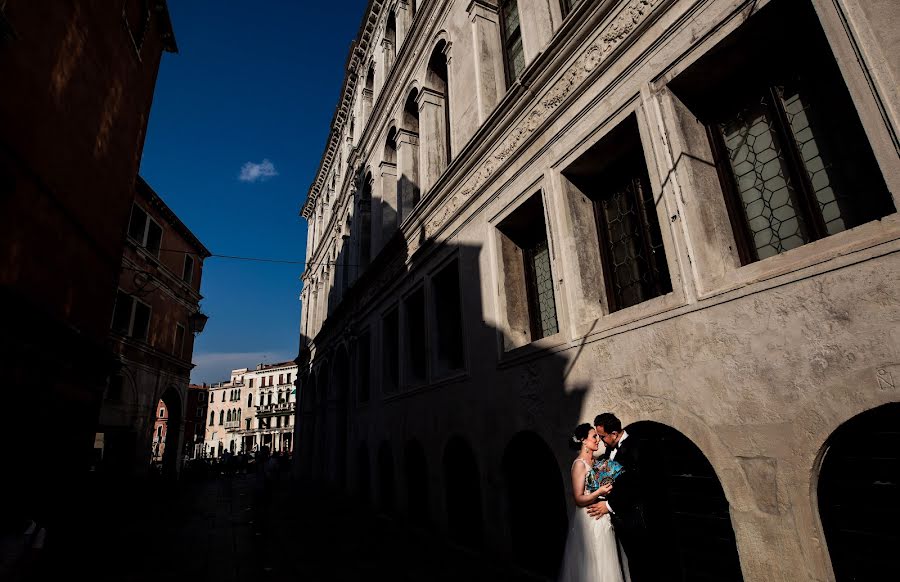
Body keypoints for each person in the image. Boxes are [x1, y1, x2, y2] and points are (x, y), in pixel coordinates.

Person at [587, 413, 658, 582]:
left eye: (603, 437)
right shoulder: (611, 450)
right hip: (621, 519)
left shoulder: (636, 448)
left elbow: (637, 486)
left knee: (641, 565)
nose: (601, 441)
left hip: (635, 519)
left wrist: (609, 506)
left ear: (614, 434)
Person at [558, 423, 626, 582]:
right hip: (588, 520)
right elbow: (578, 498)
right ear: (583, 440)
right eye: (594, 436)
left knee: (606, 561)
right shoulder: (579, 465)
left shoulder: (598, 462)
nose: (597, 440)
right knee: (590, 565)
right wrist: (599, 492)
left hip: (603, 516)